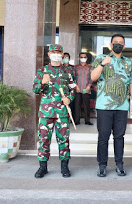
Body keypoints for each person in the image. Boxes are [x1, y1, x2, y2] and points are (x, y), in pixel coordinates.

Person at [90, 34, 132, 177]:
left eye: (121, 43)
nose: (118, 44)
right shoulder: (100, 58)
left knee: (119, 136)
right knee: (103, 137)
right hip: (104, 105)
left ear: (124, 46)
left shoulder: (129, 63)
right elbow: (93, 77)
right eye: (115, 42)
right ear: (111, 45)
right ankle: (102, 165)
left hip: (122, 106)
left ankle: (119, 164)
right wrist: (103, 64)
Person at [33, 44, 76, 178]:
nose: (56, 54)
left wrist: (69, 98)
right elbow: (35, 90)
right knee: (43, 140)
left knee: (63, 140)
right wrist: (43, 83)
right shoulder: (42, 70)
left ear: (62, 54)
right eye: (53, 51)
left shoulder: (68, 71)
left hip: (62, 112)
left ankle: (64, 167)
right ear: (49, 54)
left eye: (58, 51)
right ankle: (42, 167)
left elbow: (73, 88)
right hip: (46, 113)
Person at [74, 52, 93, 125]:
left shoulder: (89, 67)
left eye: (84, 57)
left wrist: (89, 86)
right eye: (81, 57)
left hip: (86, 89)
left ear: (87, 58)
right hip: (78, 88)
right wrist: (76, 86)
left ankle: (87, 120)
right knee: (77, 105)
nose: (83, 58)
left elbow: (91, 78)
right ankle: (77, 120)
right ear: (79, 58)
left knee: (86, 106)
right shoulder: (76, 67)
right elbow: (73, 77)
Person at [62, 53, 75, 117]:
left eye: (66, 57)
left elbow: (75, 77)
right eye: (64, 57)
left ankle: (71, 117)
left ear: (69, 59)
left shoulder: (72, 68)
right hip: (64, 87)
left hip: (71, 87)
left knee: (71, 102)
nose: (65, 59)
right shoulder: (61, 68)